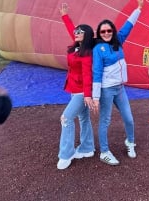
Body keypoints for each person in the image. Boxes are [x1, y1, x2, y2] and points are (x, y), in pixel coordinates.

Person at [92, 0, 144, 165]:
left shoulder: (118, 41)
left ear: (112, 31)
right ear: (99, 33)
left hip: (120, 89)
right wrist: (95, 96)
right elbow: (97, 72)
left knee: (129, 119)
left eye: (109, 30)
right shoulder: (98, 49)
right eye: (103, 31)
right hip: (107, 90)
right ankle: (104, 152)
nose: (106, 33)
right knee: (105, 121)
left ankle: (130, 142)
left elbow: (128, 25)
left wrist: (139, 9)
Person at [57, 3, 95, 170]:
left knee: (66, 118)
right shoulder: (77, 46)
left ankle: (66, 154)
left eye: (80, 32)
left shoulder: (87, 54)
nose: (76, 33)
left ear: (86, 36)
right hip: (74, 89)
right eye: (76, 31)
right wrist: (65, 15)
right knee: (83, 118)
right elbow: (71, 29)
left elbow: (88, 76)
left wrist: (87, 95)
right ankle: (87, 148)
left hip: (81, 92)